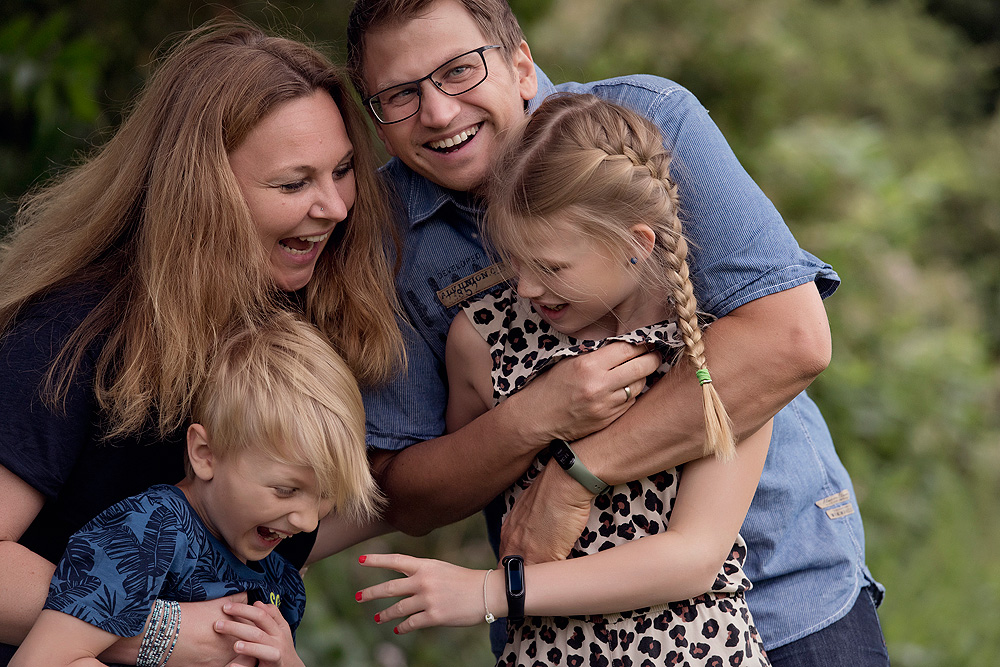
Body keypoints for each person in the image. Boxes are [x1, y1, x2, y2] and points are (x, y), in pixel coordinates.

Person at [345, 1, 888, 665]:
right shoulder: (388, 240)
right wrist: (531, 418)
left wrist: (578, 473)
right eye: (399, 95)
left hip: (781, 593)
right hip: (565, 632)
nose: (436, 111)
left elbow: (788, 341)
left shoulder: (647, 127)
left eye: (458, 71)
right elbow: (409, 491)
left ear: (520, 64)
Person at [0, 20, 402, 666]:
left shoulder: (303, 328)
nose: (334, 205)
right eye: (294, 183)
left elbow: (396, 489)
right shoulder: (72, 329)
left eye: (344, 170)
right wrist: (159, 632)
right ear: (204, 190)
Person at [358, 93, 774, 667]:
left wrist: (488, 592)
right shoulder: (482, 339)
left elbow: (694, 556)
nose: (526, 288)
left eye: (551, 268)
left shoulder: (710, 351)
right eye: (513, 261)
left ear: (637, 242)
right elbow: (463, 481)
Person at [11, 311, 382, 667]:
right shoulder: (148, 534)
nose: (306, 521)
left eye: (325, 495)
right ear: (205, 454)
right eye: (286, 490)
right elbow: (42, 659)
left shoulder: (275, 575)